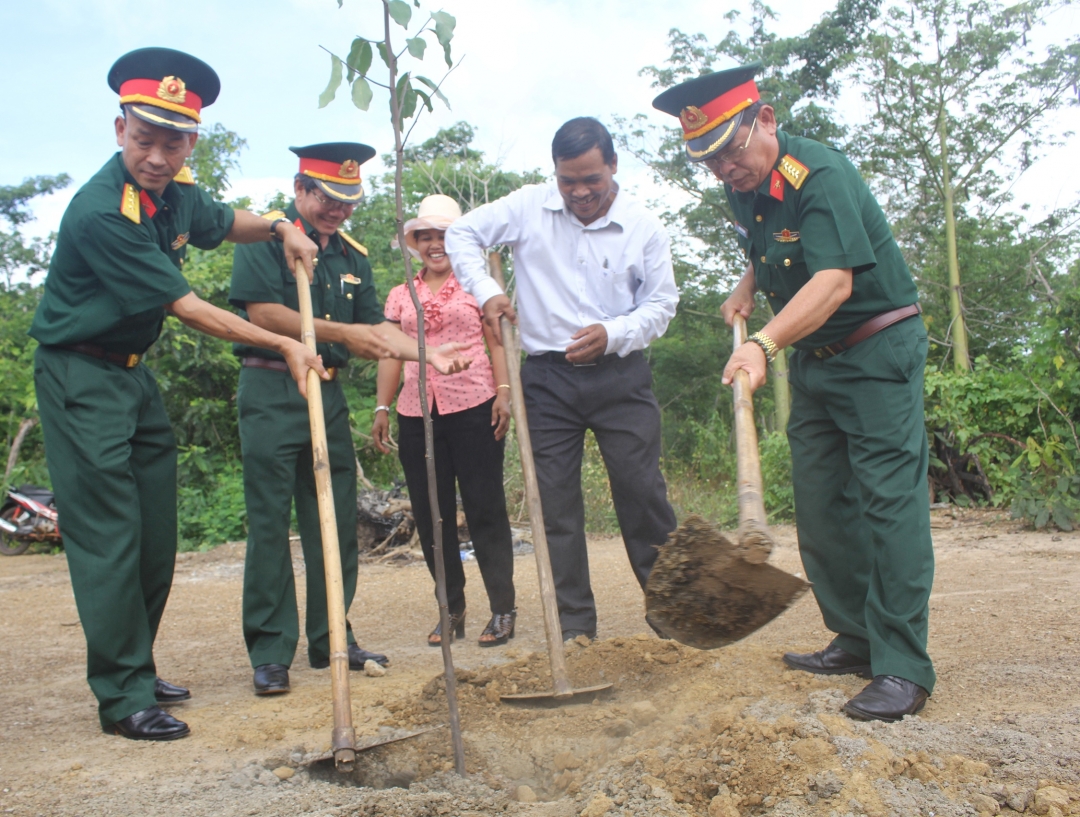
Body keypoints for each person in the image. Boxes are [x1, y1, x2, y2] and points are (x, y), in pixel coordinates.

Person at [29, 47, 329, 741]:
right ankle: (122, 693)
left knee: (153, 534)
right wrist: (283, 342)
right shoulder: (103, 212)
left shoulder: (174, 195)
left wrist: (284, 225)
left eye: (173, 142)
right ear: (118, 131)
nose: (157, 156)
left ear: (191, 141)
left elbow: (227, 221)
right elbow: (189, 306)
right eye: (144, 140)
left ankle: (136, 659)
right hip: (80, 375)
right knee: (109, 534)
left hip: (131, 374)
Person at [653, 63, 935, 722]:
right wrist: (748, 283)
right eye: (710, 161)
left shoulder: (823, 175)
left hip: (875, 349)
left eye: (731, 150)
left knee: (887, 506)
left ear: (766, 120)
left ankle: (903, 666)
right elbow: (771, 243)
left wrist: (763, 343)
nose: (725, 168)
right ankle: (857, 637)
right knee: (820, 501)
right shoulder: (745, 186)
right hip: (815, 361)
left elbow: (834, 280)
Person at [229, 148, 472, 695]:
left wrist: (425, 354)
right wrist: (340, 335)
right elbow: (263, 315)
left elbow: (376, 333)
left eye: (348, 202)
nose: (338, 211)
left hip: (329, 395)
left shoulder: (352, 257)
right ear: (300, 188)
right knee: (270, 522)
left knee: (334, 519)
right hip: (273, 388)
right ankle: (270, 652)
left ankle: (333, 635)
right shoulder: (264, 238)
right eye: (328, 199)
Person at [446, 117, 680, 642]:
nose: (579, 192)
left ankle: (675, 617)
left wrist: (613, 332)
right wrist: (485, 291)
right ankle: (575, 629)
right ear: (554, 173)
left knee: (642, 493)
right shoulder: (528, 206)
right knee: (554, 504)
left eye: (591, 180)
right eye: (567, 180)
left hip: (622, 376)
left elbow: (662, 305)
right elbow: (461, 233)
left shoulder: (644, 225)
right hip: (547, 379)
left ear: (613, 167)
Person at [372, 194, 517, 648]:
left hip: (475, 405)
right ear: (415, 243)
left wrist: (505, 392)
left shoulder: (478, 286)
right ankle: (450, 608)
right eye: (427, 237)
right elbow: (390, 354)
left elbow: (497, 343)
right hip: (417, 412)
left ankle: (502, 609)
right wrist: (382, 406)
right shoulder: (401, 295)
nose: (436, 245)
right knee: (431, 514)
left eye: (446, 236)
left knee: (484, 508)